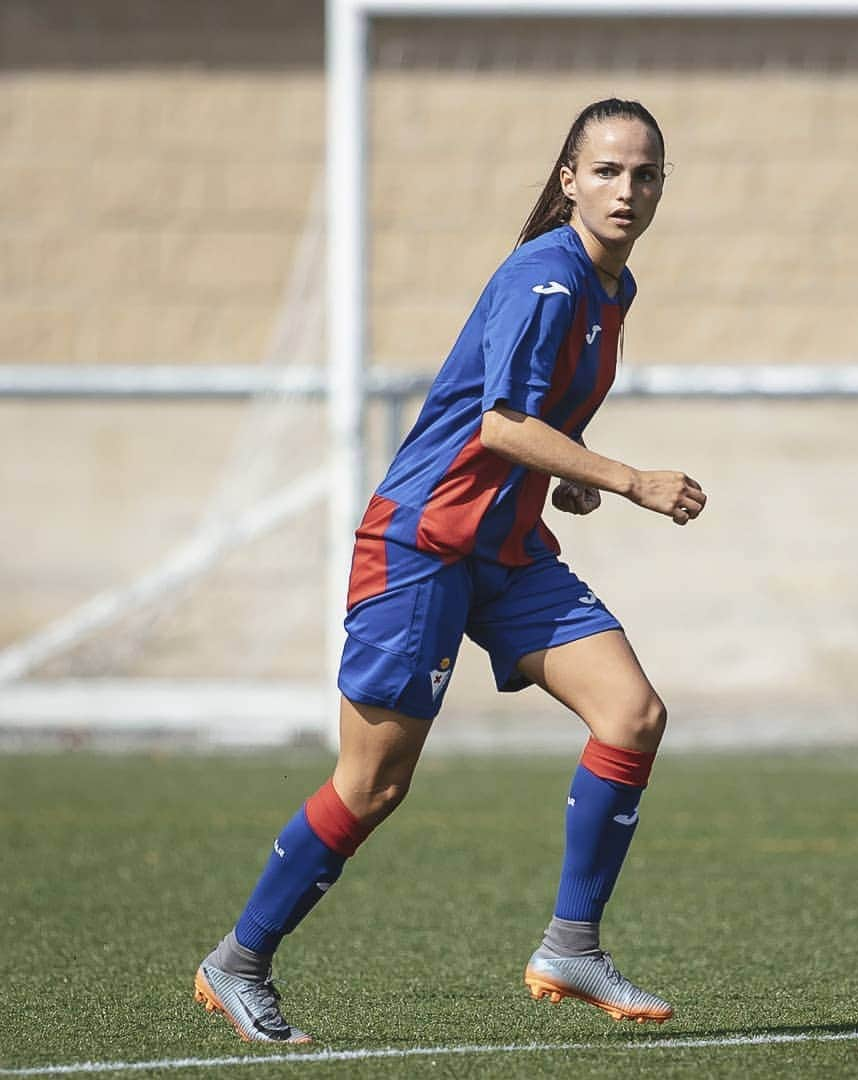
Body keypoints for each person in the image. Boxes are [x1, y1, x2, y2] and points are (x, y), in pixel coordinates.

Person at [194, 97, 706, 1044]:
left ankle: (570, 944)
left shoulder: (610, 289)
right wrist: (628, 480)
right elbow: (500, 425)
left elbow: (536, 423)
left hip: (506, 550)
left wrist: (573, 477)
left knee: (632, 715)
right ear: (568, 181)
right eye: (606, 171)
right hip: (423, 544)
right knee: (373, 785)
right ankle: (237, 963)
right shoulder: (545, 279)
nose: (626, 189)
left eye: (644, 175)